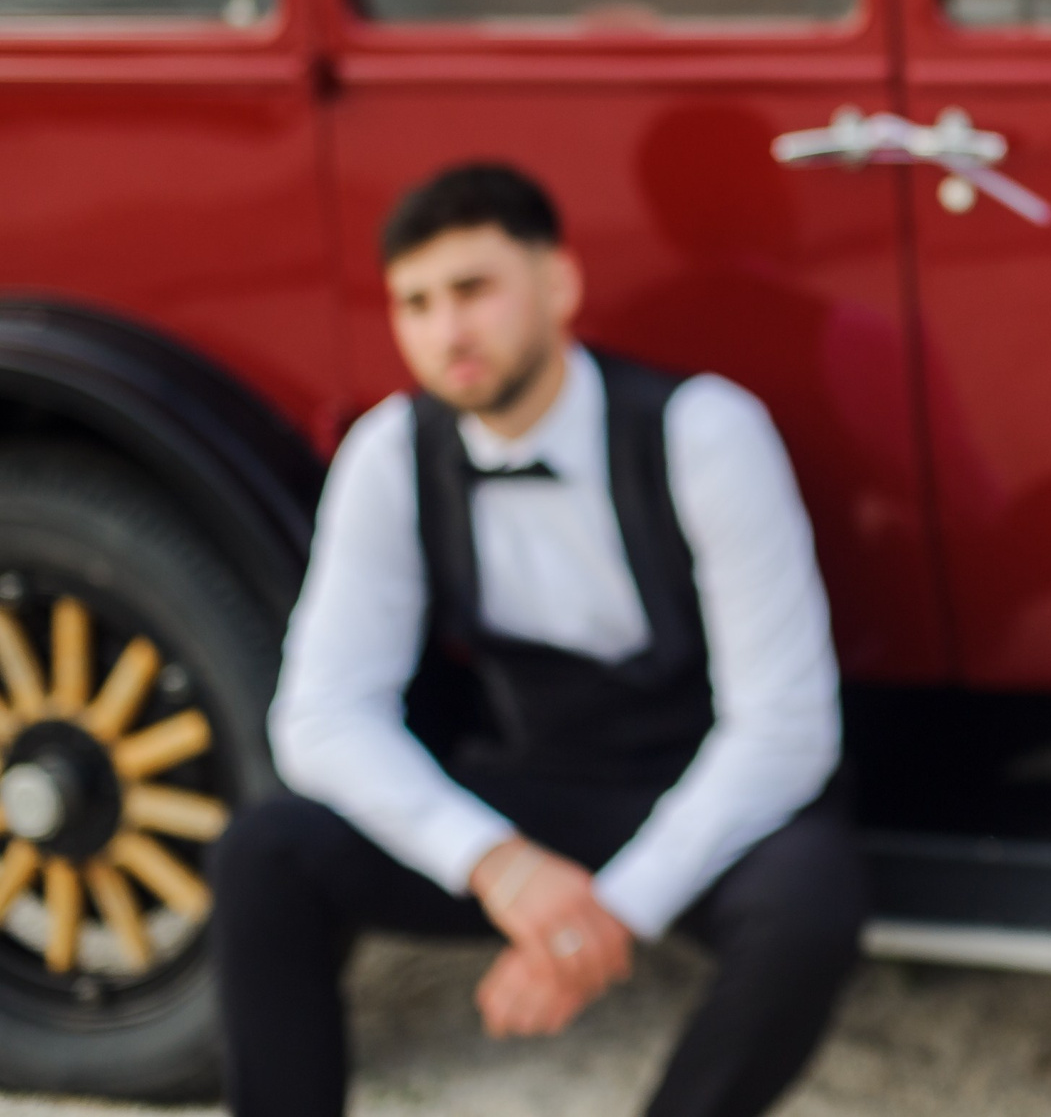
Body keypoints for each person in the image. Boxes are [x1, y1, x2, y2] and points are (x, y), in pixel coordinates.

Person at [212, 162, 864, 1117]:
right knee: (265, 852)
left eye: (473, 290)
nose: (447, 332)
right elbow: (320, 715)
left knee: (810, 903)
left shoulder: (705, 432)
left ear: (558, 285)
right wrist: (494, 862)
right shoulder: (393, 450)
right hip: (532, 790)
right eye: (416, 303)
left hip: (695, 790)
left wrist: (602, 920)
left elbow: (786, 729)